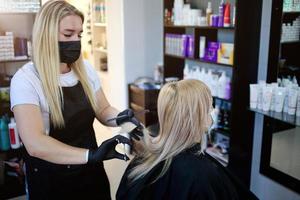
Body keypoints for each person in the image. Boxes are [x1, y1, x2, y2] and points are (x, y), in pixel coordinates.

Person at [10, 1, 142, 200]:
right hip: (51, 178)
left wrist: (121, 117)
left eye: (79, 34)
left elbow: (103, 109)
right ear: (46, 34)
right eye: (68, 34)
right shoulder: (26, 80)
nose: (76, 40)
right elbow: (35, 143)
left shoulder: (85, 70)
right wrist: (89, 155)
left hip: (90, 172)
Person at [117, 79, 258, 200]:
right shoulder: (202, 176)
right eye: (209, 108)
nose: (212, 112)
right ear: (197, 118)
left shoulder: (142, 160)